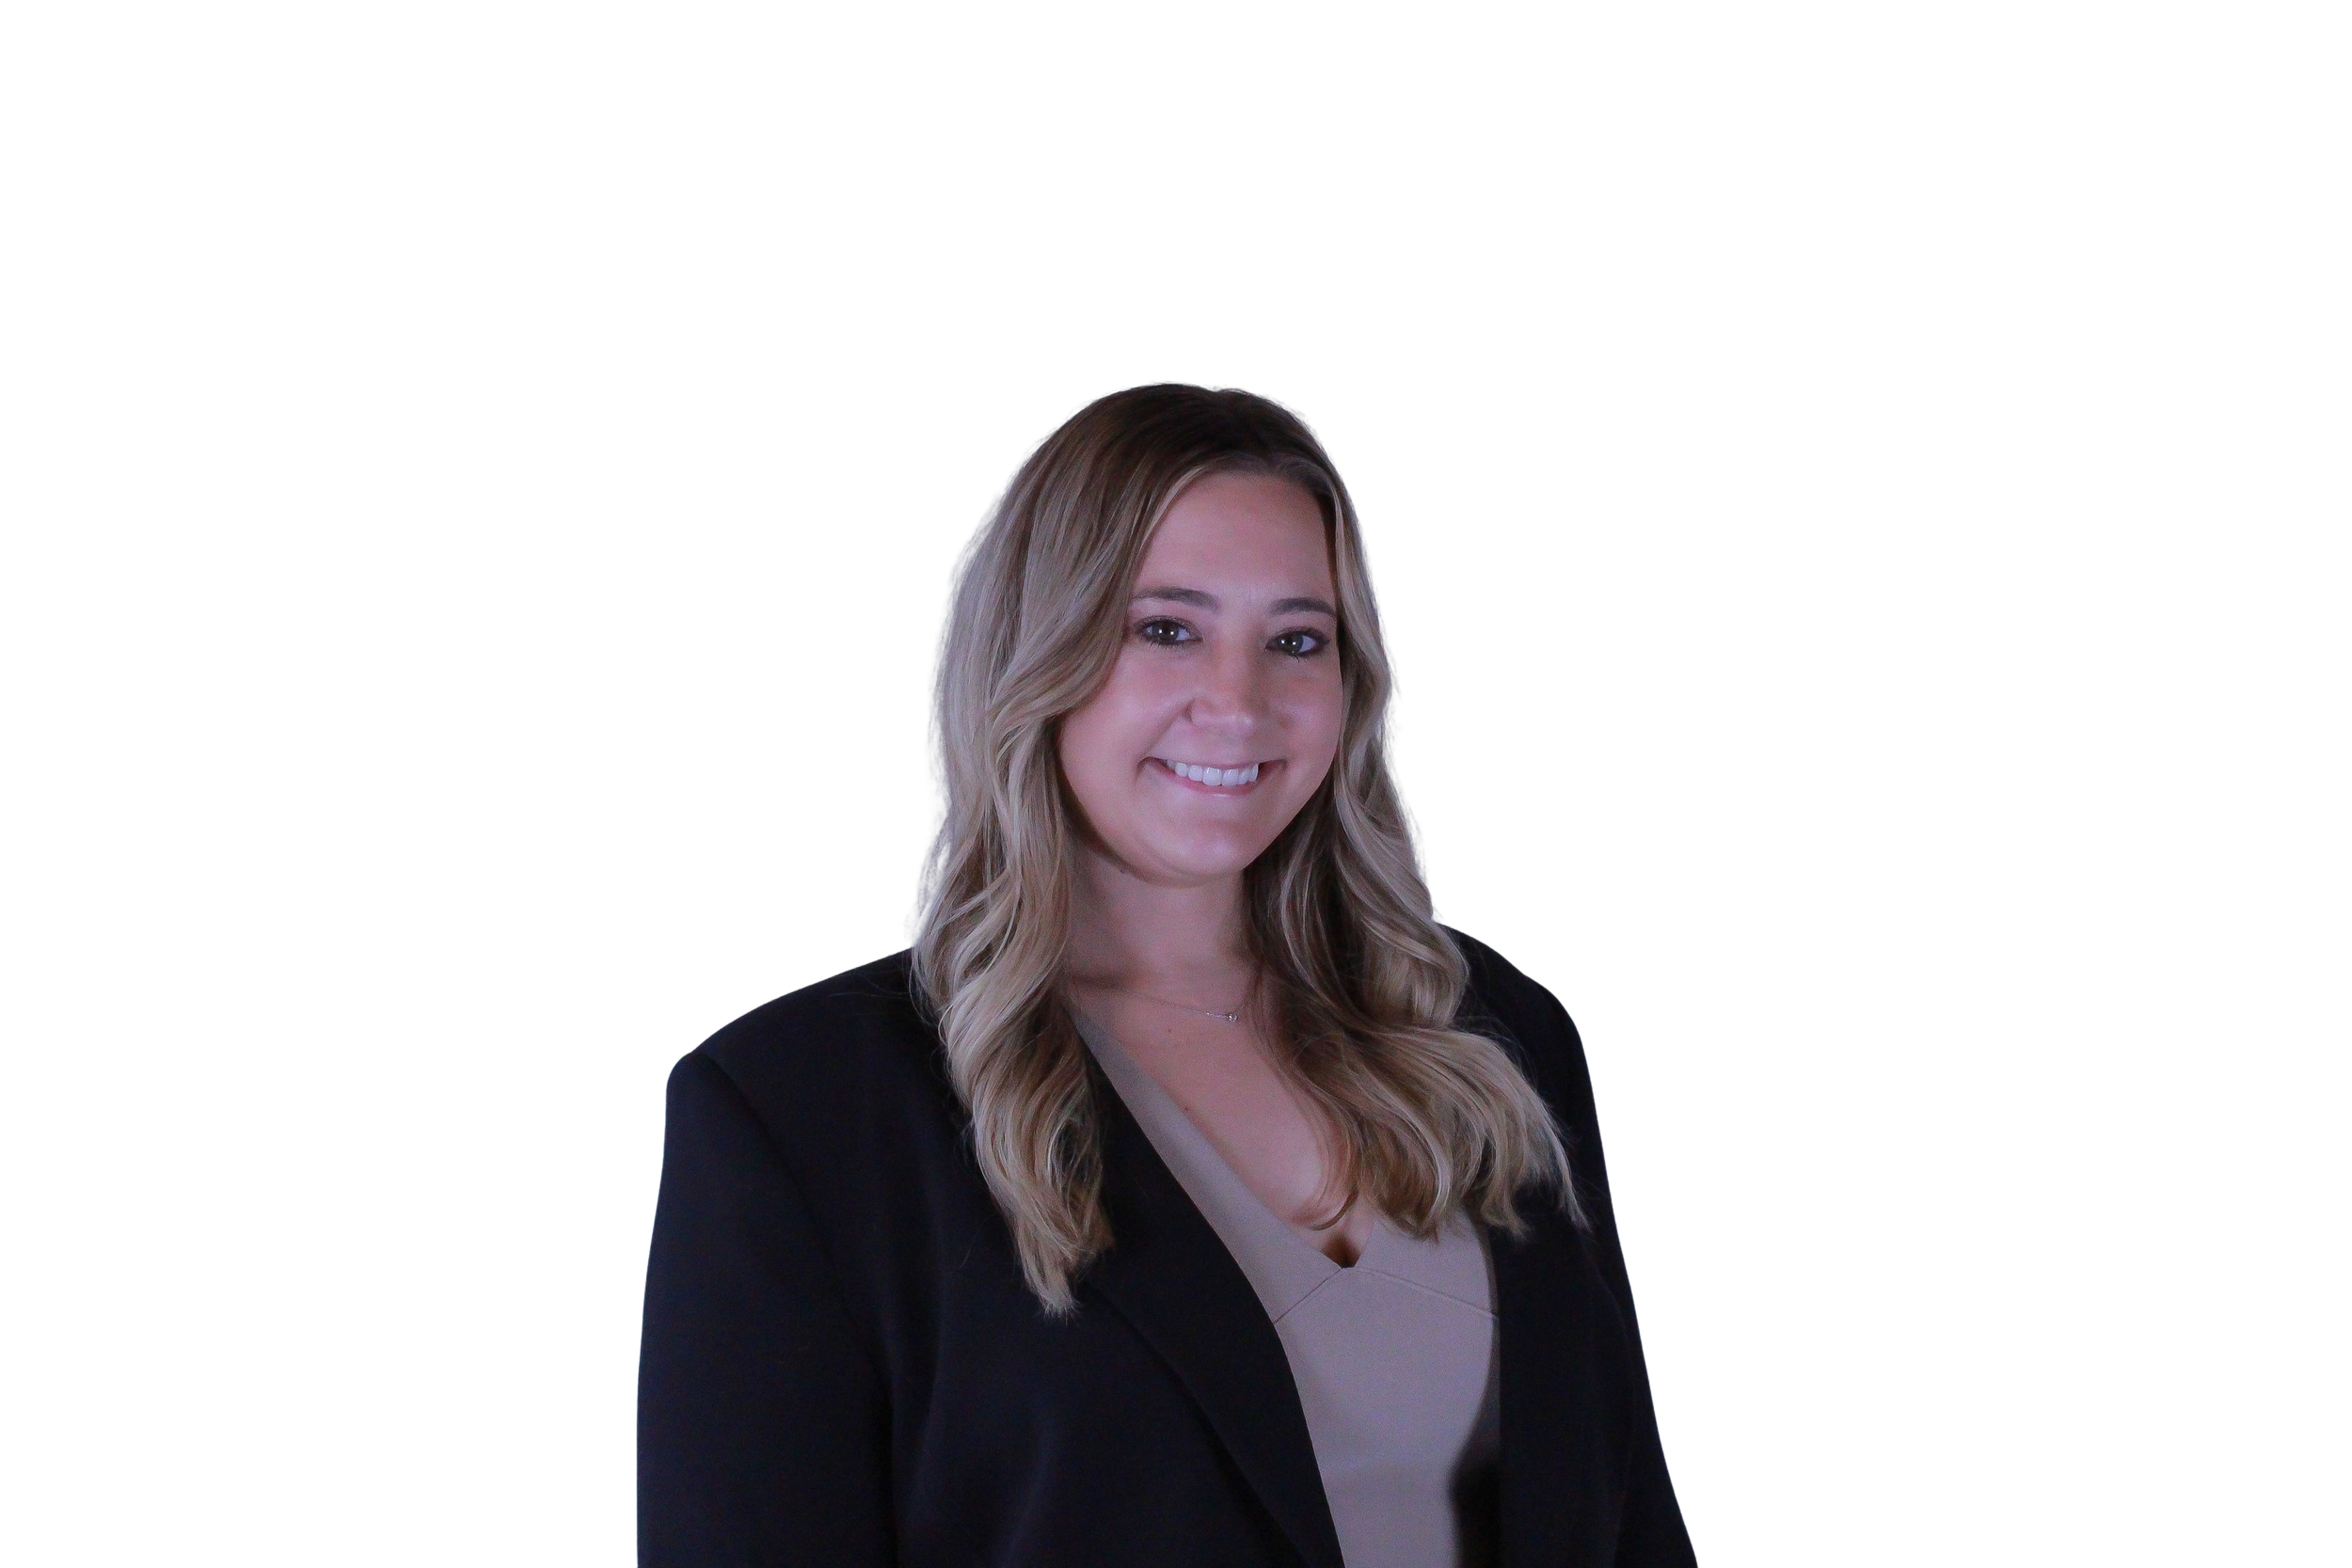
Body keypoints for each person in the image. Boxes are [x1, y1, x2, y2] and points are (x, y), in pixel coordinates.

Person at [636, 383, 1694, 1565]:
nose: (1239, 703)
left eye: (1297, 639)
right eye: (1166, 629)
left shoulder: (1487, 1032)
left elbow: (1632, 1518)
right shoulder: (797, 1107)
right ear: (1036, 651)